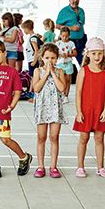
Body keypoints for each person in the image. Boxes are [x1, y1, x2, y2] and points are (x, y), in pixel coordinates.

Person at [0, 39, 32, 178]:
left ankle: (24, 157)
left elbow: (17, 92)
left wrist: (12, 106)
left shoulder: (12, 72)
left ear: (4, 53)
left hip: (3, 112)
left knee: (5, 140)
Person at [72, 37, 105, 178]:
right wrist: (79, 112)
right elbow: (78, 92)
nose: (97, 56)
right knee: (84, 138)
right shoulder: (84, 71)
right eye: (94, 53)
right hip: (86, 111)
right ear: (87, 53)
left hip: (100, 111)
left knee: (99, 139)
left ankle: (100, 167)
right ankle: (80, 167)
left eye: (100, 53)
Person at [31, 43, 68, 178]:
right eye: (47, 58)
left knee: (54, 137)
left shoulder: (59, 71)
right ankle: (40, 166)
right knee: (41, 137)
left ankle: (53, 166)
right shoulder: (37, 71)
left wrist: (52, 72)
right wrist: (46, 73)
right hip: (42, 108)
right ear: (42, 57)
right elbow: (36, 88)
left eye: (53, 58)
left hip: (55, 109)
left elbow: (62, 88)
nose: (50, 61)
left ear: (57, 58)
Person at [56, 0, 87, 80]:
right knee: (65, 61)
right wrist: (71, 28)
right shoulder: (64, 11)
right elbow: (57, 25)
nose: (75, 0)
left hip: (81, 39)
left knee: (84, 62)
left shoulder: (81, 11)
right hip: (68, 41)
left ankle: (84, 80)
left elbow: (81, 22)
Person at [55, 26, 77, 101]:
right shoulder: (58, 43)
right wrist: (60, 55)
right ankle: (60, 94)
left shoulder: (71, 43)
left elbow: (75, 53)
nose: (64, 38)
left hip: (68, 64)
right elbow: (54, 53)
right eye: (63, 36)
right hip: (59, 64)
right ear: (60, 35)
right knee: (60, 80)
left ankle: (66, 96)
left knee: (68, 80)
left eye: (66, 36)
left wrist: (69, 55)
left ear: (69, 35)